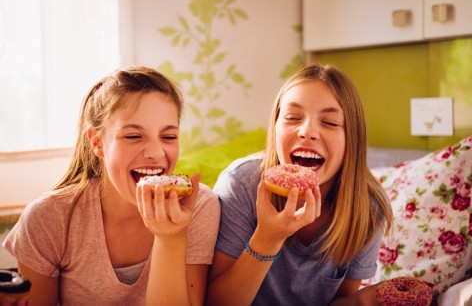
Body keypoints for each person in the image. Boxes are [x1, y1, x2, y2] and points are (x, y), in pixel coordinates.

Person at [2, 67, 220, 305]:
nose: (156, 152)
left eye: (168, 137)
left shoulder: (197, 206)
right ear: (97, 142)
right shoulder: (49, 218)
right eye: (133, 136)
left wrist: (171, 239)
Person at [206, 63, 393, 306]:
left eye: (330, 122)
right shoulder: (242, 184)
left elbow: (340, 300)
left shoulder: (368, 208)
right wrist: (267, 238)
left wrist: (364, 301)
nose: (307, 131)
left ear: (352, 139)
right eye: (293, 118)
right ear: (275, 128)